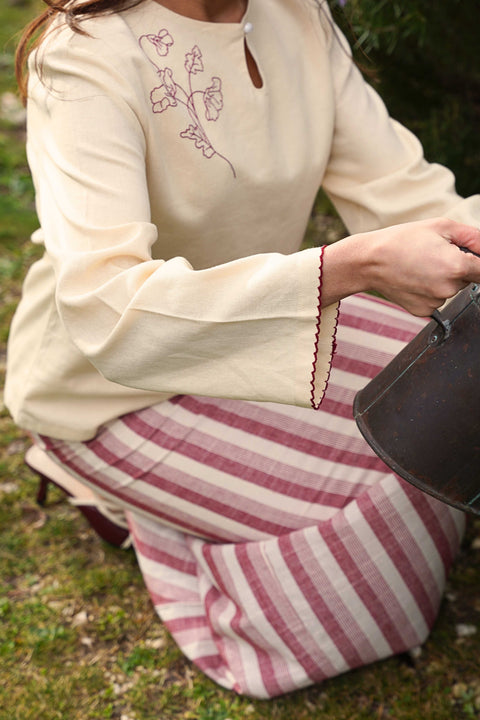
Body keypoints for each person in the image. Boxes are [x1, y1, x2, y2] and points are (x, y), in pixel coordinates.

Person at [6, 0, 480, 699]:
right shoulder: (83, 55)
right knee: (385, 570)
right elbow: (108, 312)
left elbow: (401, 192)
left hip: (260, 325)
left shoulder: (294, 12)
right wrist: (351, 268)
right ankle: (135, 513)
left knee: (446, 425)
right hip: (109, 389)